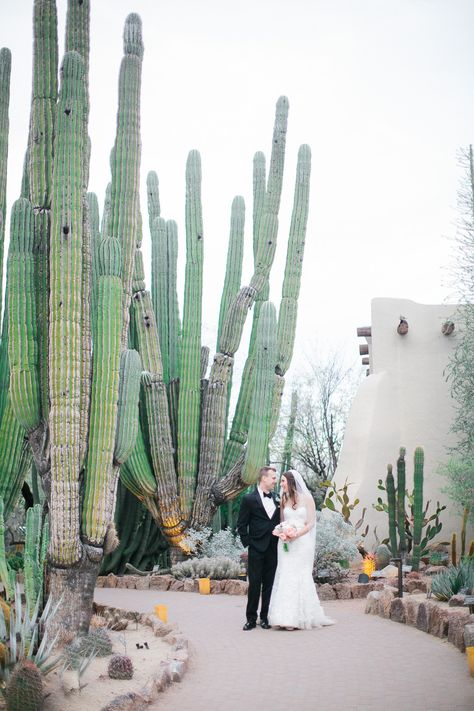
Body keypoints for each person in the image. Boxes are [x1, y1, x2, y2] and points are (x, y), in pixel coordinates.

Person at [268, 469, 335, 630]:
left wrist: (296, 534)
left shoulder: (307, 499)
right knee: (286, 574)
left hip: (302, 542)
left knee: (300, 575)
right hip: (286, 544)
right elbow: (283, 521)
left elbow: (311, 523)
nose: (281, 484)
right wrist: (282, 532)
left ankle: (300, 617)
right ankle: (284, 616)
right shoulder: (284, 499)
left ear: (291, 482)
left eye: (283, 481)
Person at [237, 466, 280, 630]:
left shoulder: (277, 498)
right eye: (273, 478)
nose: (275, 480)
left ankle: (264, 618)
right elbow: (241, 525)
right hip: (256, 548)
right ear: (264, 478)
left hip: (273, 547)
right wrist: (249, 543)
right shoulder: (249, 499)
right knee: (254, 584)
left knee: (269, 584)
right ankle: (250, 618)